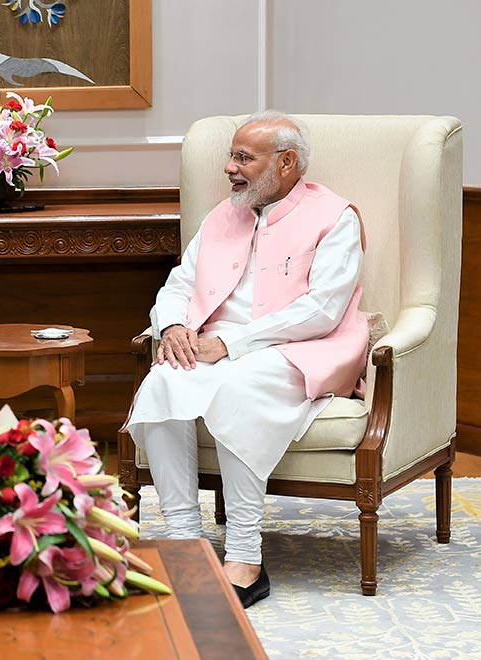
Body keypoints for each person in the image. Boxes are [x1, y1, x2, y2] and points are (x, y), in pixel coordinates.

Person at [126, 110, 368, 608]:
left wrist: (234, 344)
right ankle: (182, 539)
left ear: (286, 163)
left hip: (298, 349)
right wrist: (173, 325)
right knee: (162, 382)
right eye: (230, 156)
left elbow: (322, 310)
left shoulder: (335, 216)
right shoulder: (223, 214)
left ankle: (244, 555)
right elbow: (179, 284)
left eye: (244, 158)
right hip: (215, 345)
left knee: (238, 392)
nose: (229, 168)